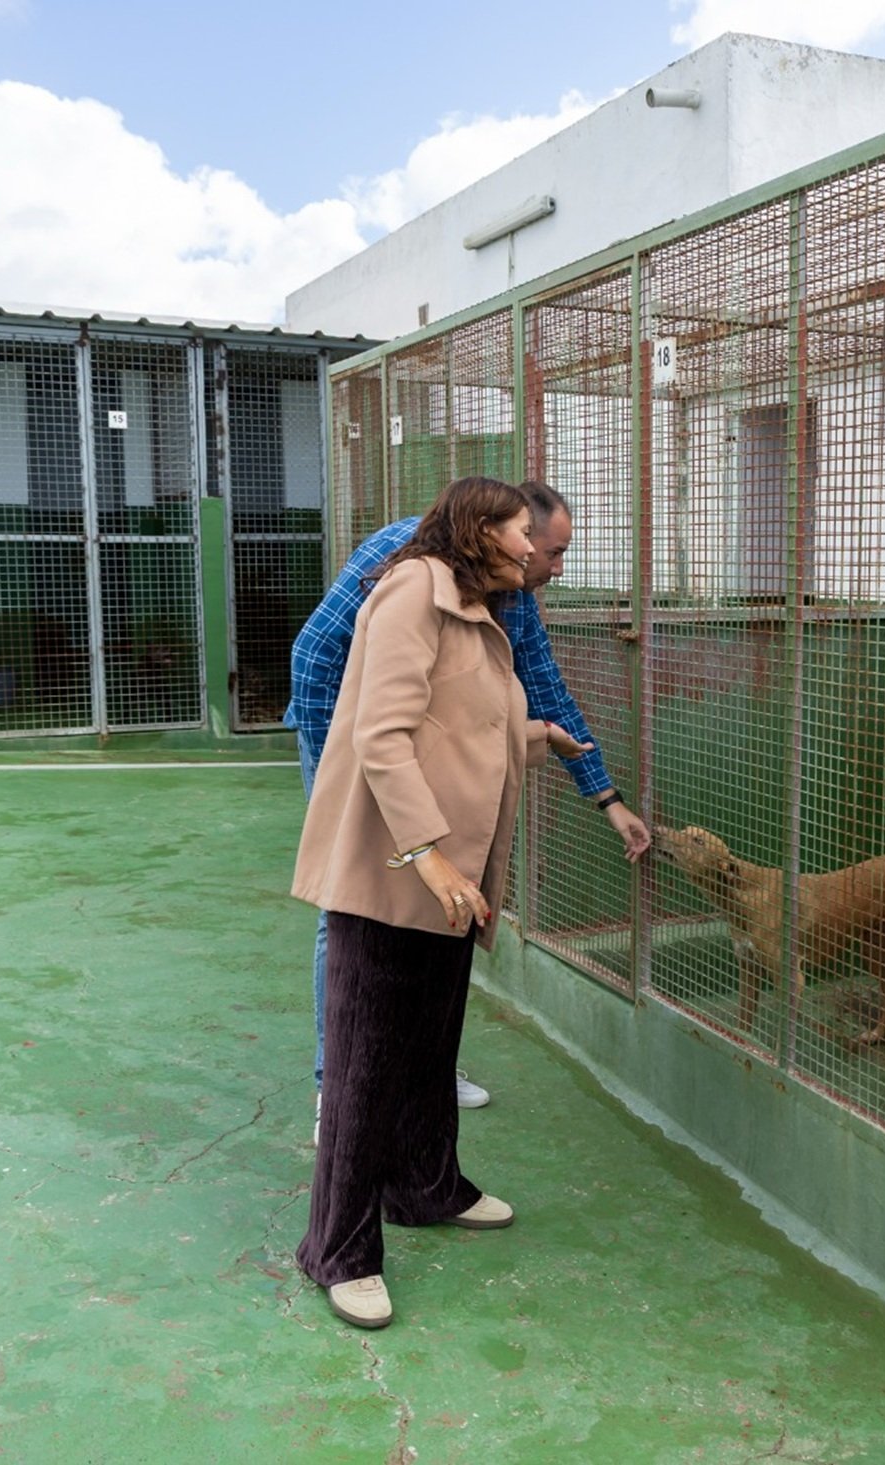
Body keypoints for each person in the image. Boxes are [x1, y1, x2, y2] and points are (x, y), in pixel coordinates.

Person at [291, 476, 590, 1329]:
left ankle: (425, 1186)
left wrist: (536, 738)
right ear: (478, 531)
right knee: (363, 1066)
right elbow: (381, 735)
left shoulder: (483, 609)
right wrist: (427, 857)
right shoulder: (411, 592)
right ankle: (339, 1249)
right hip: (397, 872)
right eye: (521, 532)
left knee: (429, 1044)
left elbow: (457, 728)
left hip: (453, 876)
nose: (534, 550)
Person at [286, 481, 650, 1113]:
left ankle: (424, 1065)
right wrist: (343, 784)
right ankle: (334, 1084)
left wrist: (607, 798)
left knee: (442, 908)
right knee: (352, 906)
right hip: (350, 744)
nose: (555, 567)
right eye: (550, 549)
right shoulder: (404, 562)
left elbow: (546, 694)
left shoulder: (513, 591)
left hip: (431, 764)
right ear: (499, 532)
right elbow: (314, 657)